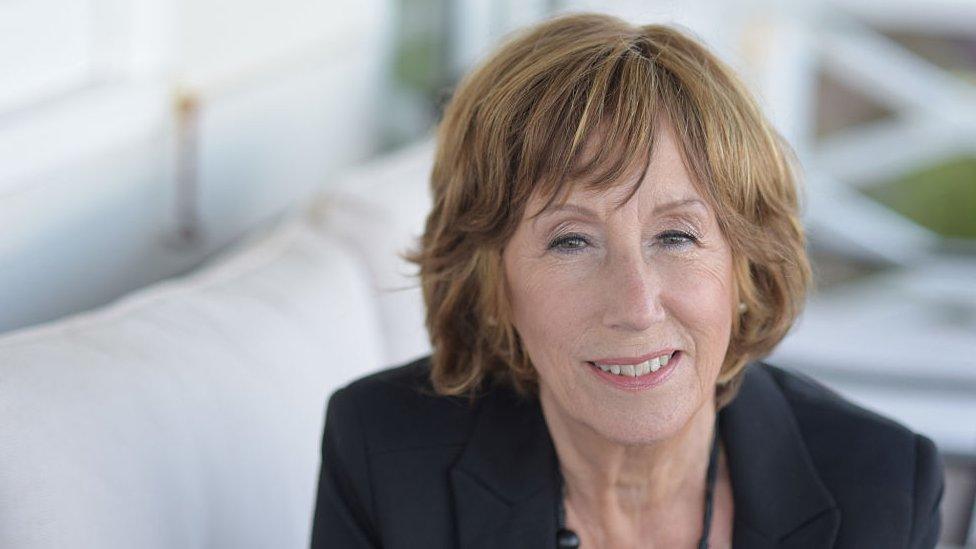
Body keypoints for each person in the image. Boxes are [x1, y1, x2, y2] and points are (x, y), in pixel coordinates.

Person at [310, 12, 944, 548]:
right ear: (492, 283)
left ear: (744, 267)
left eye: (675, 236)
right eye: (572, 241)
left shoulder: (881, 488)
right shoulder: (383, 455)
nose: (637, 306)